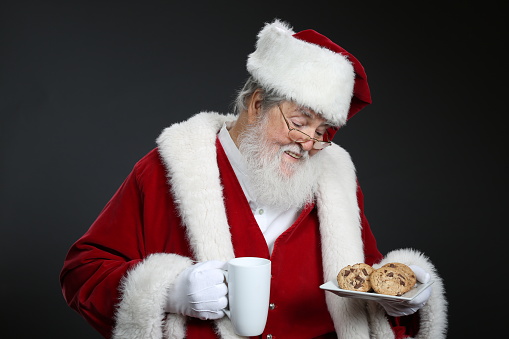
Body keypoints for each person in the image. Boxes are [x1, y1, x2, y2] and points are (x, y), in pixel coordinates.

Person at [60, 19, 447, 339]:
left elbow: (368, 280)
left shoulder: (336, 180)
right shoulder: (169, 168)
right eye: (299, 123)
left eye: (324, 132)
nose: (309, 143)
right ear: (257, 104)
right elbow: (83, 272)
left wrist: (401, 298)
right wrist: (169, 292)